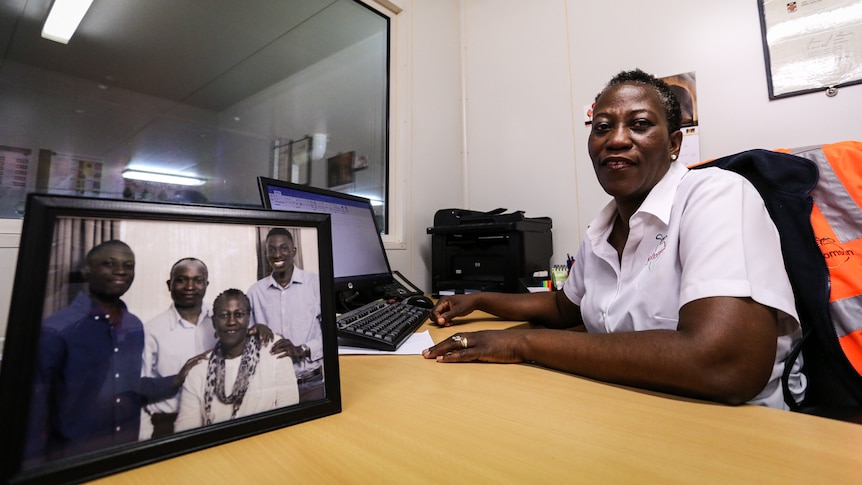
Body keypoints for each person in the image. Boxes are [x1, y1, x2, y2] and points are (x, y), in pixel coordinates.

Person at [424, 69, 804, 409]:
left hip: (731, 425)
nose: (616, 140)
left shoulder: (716, 195)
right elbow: (563, 308)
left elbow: (725, 365)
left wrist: (521, 344)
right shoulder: (601, 231)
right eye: (602, 127)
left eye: (639, 124)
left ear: (674, 144)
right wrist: (477, 300)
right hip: (626, 403)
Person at [24, 241, 185, 465]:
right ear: (87, 271)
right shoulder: (58, 329)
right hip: (73, 458)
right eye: (109, 264)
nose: (121, 271)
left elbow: (129, 388)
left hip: (125, 453)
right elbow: (35, 408)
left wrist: (177, 379)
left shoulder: (134, 326)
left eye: (129, 265)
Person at [141, 258, 276, 439]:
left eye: (198, 280)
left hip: (221, 418)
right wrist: (177, 379)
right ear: (169, 284)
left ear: (206, 284)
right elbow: (137, 388)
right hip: (168, 425)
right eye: (182, 280)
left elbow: (242, 350)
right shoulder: (151, 331)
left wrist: (257, 328)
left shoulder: (223, 321)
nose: (190, 286)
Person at [174, 289, 299, 431]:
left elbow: (289, 415)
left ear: (248, 318)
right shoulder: (198, 371)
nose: (231, 322)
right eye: (223, 315)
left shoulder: (273, 350)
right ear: (214, 322)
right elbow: (186, 430)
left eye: (238, 314)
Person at [247, 228, 324, 403]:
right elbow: (245, 341)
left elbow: (332, 334)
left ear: (293, 251)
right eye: (272, 249)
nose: (277, 254)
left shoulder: (315, 284)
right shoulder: (254, 292)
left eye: (283, 248)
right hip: (271, 388)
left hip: (311, 384)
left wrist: (302, 349)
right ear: (266, 253)